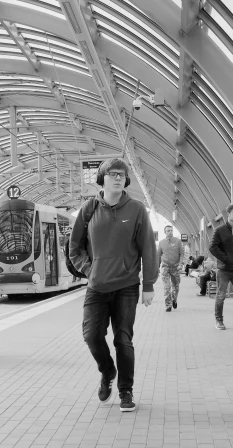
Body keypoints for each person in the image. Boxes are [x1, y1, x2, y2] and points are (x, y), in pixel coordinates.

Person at [69, 158, 158, 413]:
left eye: (122, 174)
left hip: (127, 286)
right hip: (97, 286)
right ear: (102, 179)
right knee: (92, 336)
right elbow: (74, 248)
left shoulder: (137, 210)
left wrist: (148, 284)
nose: (118, 178)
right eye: (112, 174)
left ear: (126, 180)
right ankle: (108, 371)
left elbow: (148, 249)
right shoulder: (88, 209)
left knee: (123, 339)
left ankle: (125, 390)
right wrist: (90, 269)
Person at [157, 225, 186, 312]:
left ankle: (174, 299)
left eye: (171, 230)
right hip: (165, 267)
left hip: (175, 267)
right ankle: (168, 305)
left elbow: (181, 253)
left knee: (176, 286)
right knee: (166, 287)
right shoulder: (161, 243)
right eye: (168, 231)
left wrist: (180, 264)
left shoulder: (178, 241)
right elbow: (158, 256)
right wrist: (157, 267)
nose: (170, 232)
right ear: (165, 232)